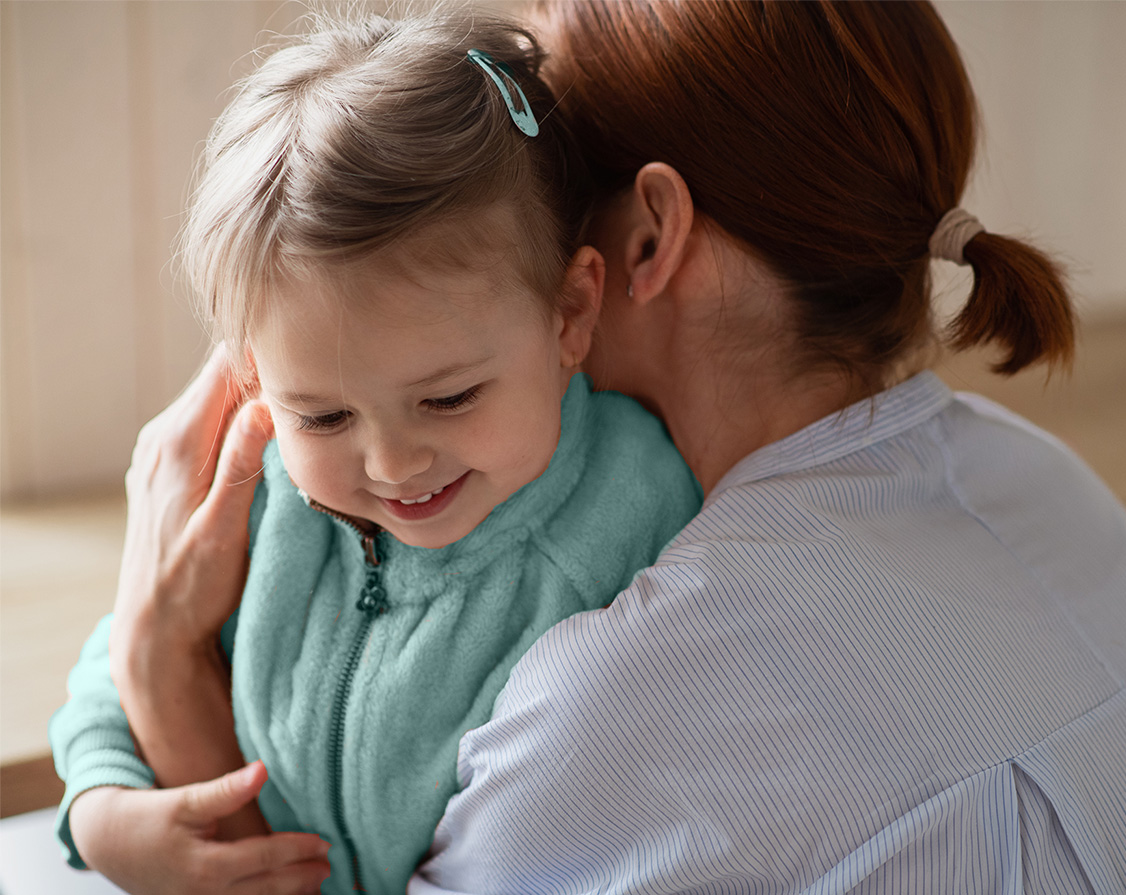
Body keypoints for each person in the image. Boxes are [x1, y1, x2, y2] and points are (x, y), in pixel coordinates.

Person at [59, 1, 1126, 892]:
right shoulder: (1042, 480)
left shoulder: (623, 690)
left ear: (638, 240)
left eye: (561, 182)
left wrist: (166, 673)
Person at [47, 9, 702, 894]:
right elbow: (125, 642)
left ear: (570, 315)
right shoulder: (264, 485)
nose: (391, 466)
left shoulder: (636, 524)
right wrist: (102, 805)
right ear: (252, 376)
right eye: (321, 416)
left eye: (450, 397)